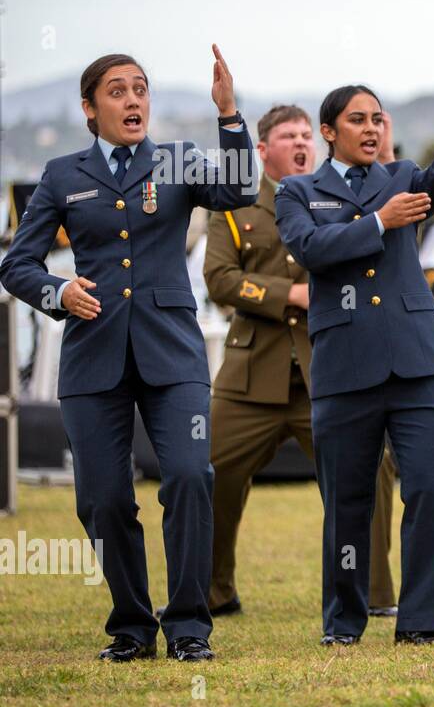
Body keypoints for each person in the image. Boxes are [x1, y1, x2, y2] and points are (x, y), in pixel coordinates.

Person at [0, 47, 256, 661]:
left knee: (193, 476)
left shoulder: (177, 161)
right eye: (117, 91)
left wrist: (228, 114)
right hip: (92, 359)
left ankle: (190, 627)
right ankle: (133, 627)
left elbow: (241, 188)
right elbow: (17, 265)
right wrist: (57, 291)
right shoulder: (62, 175)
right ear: (90, 109)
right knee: (103, 497)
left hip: (173, 355)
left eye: (140, 88)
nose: (133, 99)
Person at [276, 61, 434, 645]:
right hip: (344, 367)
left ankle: (422, 622)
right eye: (358, 120)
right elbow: (312, 249)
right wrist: (379, 221)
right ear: (328, 131)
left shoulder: (405, 174)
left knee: (430, 490)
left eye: (379, 119)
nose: (373, 128)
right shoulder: (297, 192)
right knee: (349, 503)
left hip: (418, 364)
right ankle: (344, 622)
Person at [203, 104, 400, 617]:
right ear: (263, 149)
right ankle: (211, 592)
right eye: (288, 136)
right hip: (252, 374)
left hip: (329, 369)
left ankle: (375, 595)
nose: (301, 144)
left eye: (307, 135)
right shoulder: (233, 207)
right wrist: (290, 295)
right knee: (207, 470)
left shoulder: (336, 194)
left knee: (370, 468)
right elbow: (221, 280)